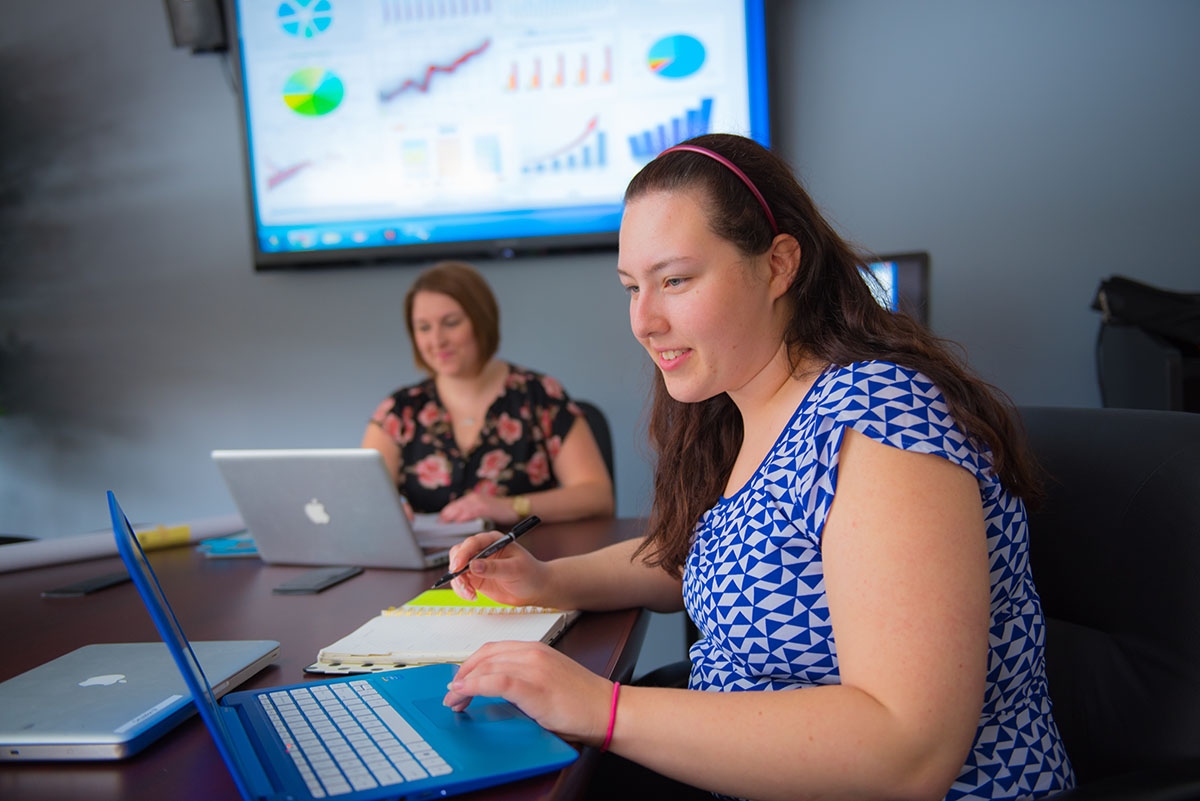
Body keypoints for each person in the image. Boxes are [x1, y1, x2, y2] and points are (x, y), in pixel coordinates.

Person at [439, 135, 1075, 801]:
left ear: (778, 265)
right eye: (633, 287)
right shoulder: (749, 409)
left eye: (675, 280)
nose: (644, 320)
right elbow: (705, 561)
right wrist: (545, 578)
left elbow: (907, 751)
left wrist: (603, 707)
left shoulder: (878, 417)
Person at [361, 260, 614, 526]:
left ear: (482, 320)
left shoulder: (540, 396)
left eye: (451, 323)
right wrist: (381, 514)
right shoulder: (399, 410)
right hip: (432, 565)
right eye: (424, 328)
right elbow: (361, 501)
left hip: (527, 561)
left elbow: (597, 496)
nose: (437, 340)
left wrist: (512, 507)